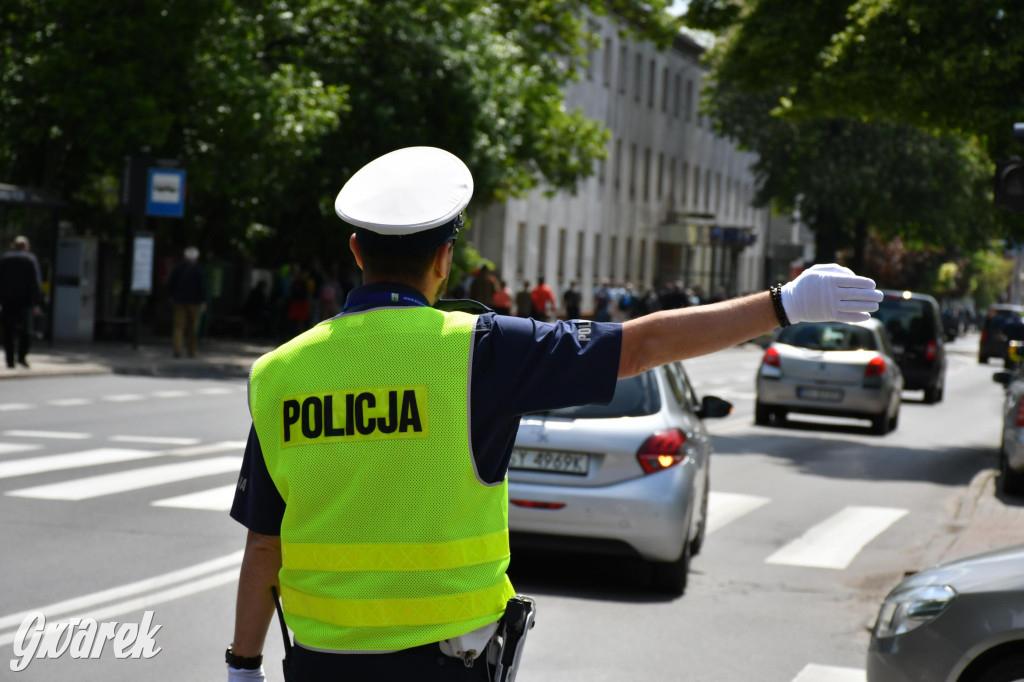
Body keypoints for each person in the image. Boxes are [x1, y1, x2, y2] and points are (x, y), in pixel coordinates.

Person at [226, 146, 882, 681]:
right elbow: (645, 343)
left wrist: (243, 664)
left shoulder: (281, 371)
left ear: (355, 251)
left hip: (316, 664)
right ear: (444, 258)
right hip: (444, 663)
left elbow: (264, 542)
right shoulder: (480, 349)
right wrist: (783, 304)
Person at [0, 236, 42, 369]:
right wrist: (36, 302)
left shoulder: (5, 258)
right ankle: (22, 357)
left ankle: (10, 360)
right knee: (25, 331)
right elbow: (35, 282)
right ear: (26, 247)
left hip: (7, 301)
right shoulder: (30, 259)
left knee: (8, 331)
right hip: (25, 302)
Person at [167, 246, 207, 358]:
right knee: (192, 328)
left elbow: (171, 284)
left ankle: (177, 350)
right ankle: (191, 351)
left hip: (179, 301)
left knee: (178, 327)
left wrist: (171, 296)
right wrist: (203, 301)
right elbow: (202, 287)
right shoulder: (199, 269)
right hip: (194, 303)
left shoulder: (178, 268)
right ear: (197, 257)